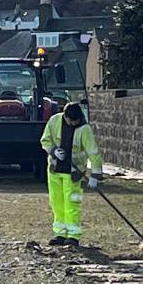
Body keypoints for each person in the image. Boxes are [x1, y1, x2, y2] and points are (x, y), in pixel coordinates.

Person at [40, 102, 103, 247]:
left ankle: (73, 235)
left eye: (77, 120)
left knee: (72, 203)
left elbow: (93, 153)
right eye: (72, 120)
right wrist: (54, 151)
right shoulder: (54, 121)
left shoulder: (84, 129)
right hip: (55, 170)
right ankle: (60, 233)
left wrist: (95, 175)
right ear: (65, 117)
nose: (74, 123)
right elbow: (45, 140)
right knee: (57, 203)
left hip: (73, 173)